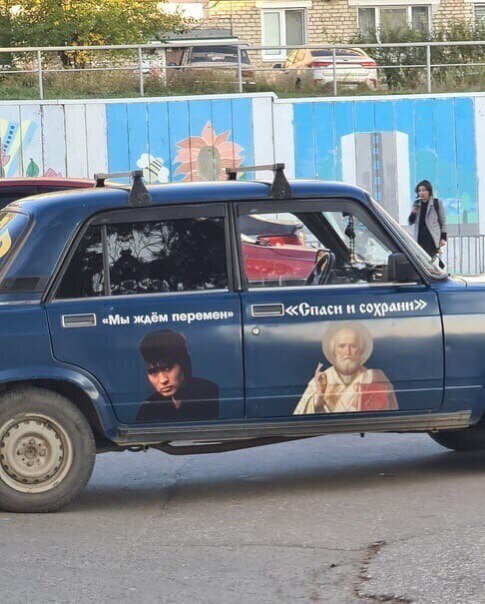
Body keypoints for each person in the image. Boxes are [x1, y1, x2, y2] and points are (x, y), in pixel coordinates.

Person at [294, 322, 397, 414]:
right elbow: (299, 421)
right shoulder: (318, 382)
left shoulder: (375, 378)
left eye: (353, 346)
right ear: (333, 350)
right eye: (342, 346)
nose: (347, 352)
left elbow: (391, 417)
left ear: (361, 350)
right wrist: (318, 397)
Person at [136, 329, 219, 422]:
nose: (163, 380)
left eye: (167, 368)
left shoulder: (209, 392)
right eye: (153, 372)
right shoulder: (148, 408)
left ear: (183, 363)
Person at [408, 180, 447, 265]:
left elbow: (443, 221)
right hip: (419, 237)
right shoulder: (416, 203)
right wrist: (413, 212)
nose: (421, 193)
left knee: (430, 260)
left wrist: (443, 238)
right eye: (419, 191)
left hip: (431, 237)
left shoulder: (436, 203)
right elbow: (410, 222)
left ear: (429, 191)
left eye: (424, 190)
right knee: (421, 261)